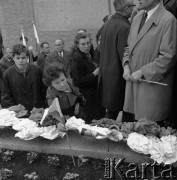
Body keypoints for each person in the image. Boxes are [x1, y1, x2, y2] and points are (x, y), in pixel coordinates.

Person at [122, 0, 177, 123]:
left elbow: (168, 57)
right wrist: (126, 66)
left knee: (149, 136)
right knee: (133, 135)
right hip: (132, 88)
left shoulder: (168, 20)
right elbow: (129, 48)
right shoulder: (137, 17)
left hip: (151, 91)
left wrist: (142, 71)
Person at [98, 0, 134, 120]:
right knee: (126, 112)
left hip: (107, 75)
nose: (133, 9)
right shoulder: (125, 27)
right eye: (132, 6)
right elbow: (125, 55)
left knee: (111, 113)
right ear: (126, 8)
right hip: (118, 78)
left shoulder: (108, 23)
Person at [70, 33, 105, 123]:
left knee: (100, 120)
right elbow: (78, 82)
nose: (86, 46)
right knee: (92, 122)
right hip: (88, 97)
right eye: (83, 44)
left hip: (96, 94)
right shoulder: (76, 58)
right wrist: (94, 73)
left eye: (88, 43)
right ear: (77, 45)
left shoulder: (89, 53)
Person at [1, 44, 46, 111]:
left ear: (27, 57)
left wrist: (43, 105)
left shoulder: (37, 70)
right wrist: (14, 111)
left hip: (37, 109)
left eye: (23, 58)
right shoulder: (8, 74)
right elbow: (6, 96)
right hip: (19, 112)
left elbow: (44, 89)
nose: (21, 61)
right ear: (13, 58)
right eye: (18, 58)